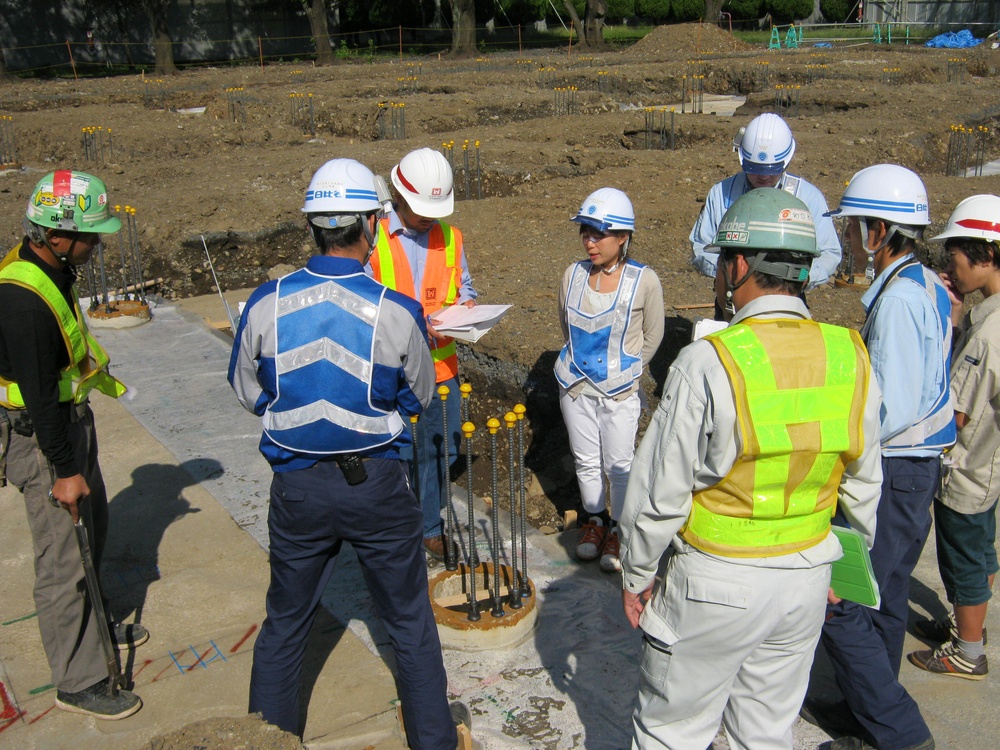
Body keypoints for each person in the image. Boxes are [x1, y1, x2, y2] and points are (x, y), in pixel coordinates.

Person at [619, 188, 882, 750]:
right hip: (806, 581)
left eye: (721, 263)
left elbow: (659, 493)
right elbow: (863, 480)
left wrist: (637, 573)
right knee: (763, 733)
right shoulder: (849, 354)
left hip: (716, 582)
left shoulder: (709, 359)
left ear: (739, 265)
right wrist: (846, 563)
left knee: (672, 733)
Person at [229, 158, 461, 747]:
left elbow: (248, 390)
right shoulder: (397, 312)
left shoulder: (264, 304)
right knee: (408, 622)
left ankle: (269, 739)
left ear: (313, 225)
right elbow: (417, 394)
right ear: (371, 223)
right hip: (379, 489)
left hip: (298, 490)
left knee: (285, 624)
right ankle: (435, 739)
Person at [816, 164, 954, 750]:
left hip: (896, 468)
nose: (847, 238)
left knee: (847, 598)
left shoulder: (898, 302)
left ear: (879, 231)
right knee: (887, 595)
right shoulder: (923, 282)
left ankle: (895, 731)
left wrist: (830, 436)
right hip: (916, 469)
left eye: (853, 227)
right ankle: (866, 711)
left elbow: (888, 407)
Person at [0, 170, 145, 720]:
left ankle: (95, 630)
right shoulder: (22, 297)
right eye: (92, 235)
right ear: (57, 235)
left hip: (67, 421)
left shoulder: (53, 265)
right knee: (63, 558)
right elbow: (37, 397)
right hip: (43, 436)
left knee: (94, 527)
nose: (100, 242)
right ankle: (78, 678)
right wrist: (63, 469)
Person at [905, 194, 1000, 681]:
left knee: (962, 557)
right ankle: (972, 621)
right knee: (981, 551)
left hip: (966, 468)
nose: (952, 268)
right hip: (990, 469)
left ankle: (968, 650)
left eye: (957, 257)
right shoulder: (990, 318)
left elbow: (956, 413)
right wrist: (958, 315)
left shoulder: (988, 336)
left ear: (984, 255)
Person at [368, 146, 477, 562]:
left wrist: (466, 306)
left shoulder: (450, 237)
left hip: (441, 367)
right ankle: (423, 526)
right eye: (420, 210)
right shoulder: (373, 238)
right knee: (405, 452)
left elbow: (464, 285)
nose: (429, 218)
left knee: (444, 448)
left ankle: (424, 513)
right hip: (394, 370)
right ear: (399, 195)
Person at [554, 187, 663, 573]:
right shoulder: (572, 275)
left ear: (623, 237)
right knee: (586, 460)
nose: (590, 241)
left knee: (620, 464)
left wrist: (629, 371)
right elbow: (565, 327)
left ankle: (619, 528)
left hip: (619, 393)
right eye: (586, 232)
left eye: (599, 234)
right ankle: (595, 521)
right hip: (575, 387)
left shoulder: (644, 281)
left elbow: (653, 335)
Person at [689, 113, 841, 317]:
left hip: (788, 300)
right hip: (731, 298)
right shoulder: (721, 193)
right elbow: (701, 245)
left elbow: (829, 252)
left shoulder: (807, 198)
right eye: (754, 169)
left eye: (772, 170)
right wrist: (729, 272)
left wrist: (802, 276)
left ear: (786, 161)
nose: (763, 176)